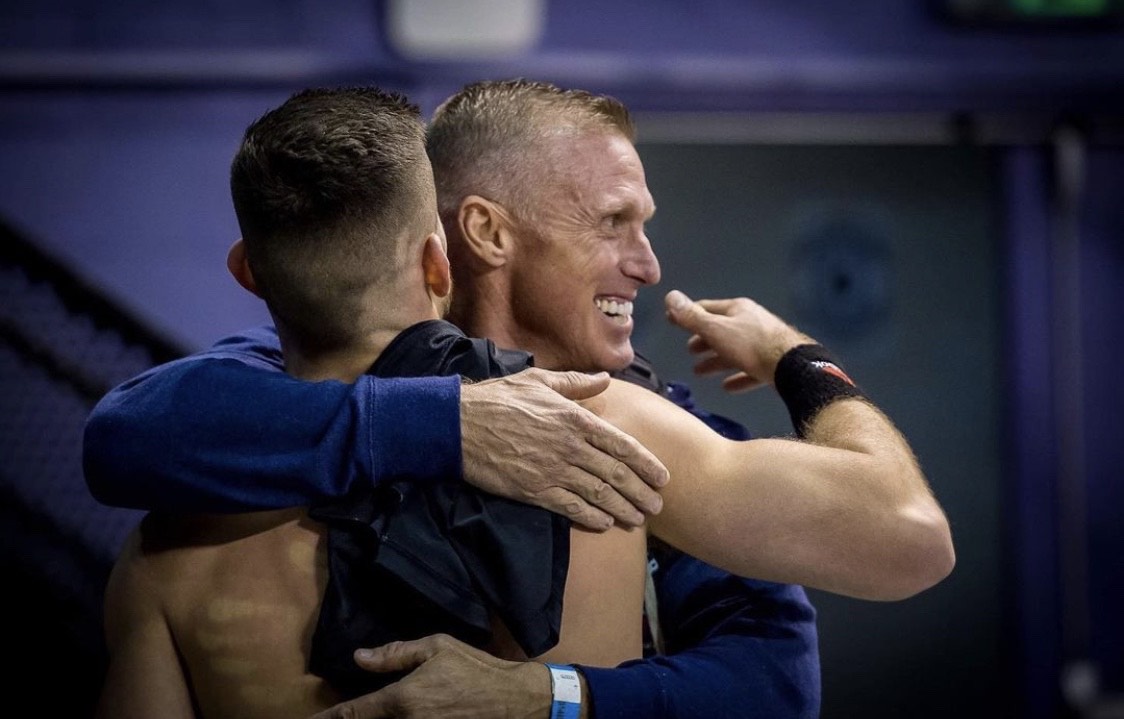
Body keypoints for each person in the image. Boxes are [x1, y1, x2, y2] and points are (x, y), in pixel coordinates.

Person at [85, 80, 954, 718]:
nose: (649, 264)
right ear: (465, 242)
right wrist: (796, 356)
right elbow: (911, 538)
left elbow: (777, 682)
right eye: (614, 222)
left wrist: (553, 696)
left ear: (249, 273)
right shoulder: (614, 437)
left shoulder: (176, 535)